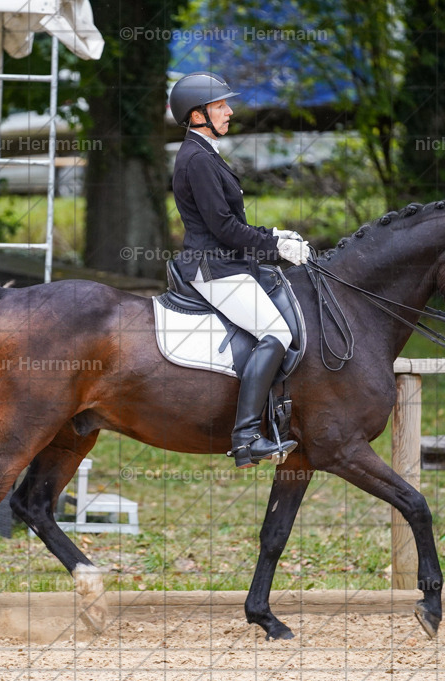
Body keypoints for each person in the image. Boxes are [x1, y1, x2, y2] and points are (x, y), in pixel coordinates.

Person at [168, 71, 309, 468]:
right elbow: (224, 228)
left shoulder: (206, 152)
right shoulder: (196, 159)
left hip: (227, 263)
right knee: (276, 332)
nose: (229, 112)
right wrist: (275, 246)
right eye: (220, 106)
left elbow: (231, 220)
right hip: (215, 269)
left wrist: (272, 234)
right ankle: (246, 436)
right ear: (197, 115)